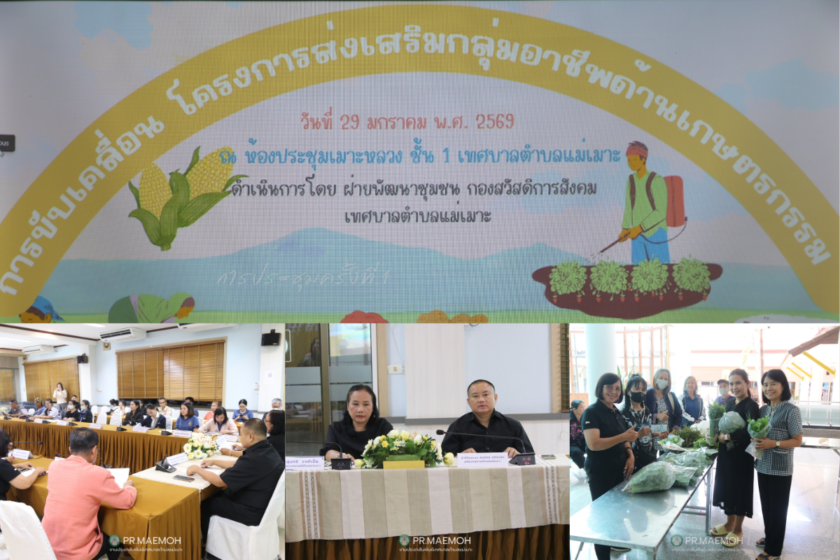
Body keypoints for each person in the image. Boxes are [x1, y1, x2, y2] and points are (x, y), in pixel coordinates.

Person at [42, 428, 135, 560]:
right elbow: (127, 501)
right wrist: (129, 487)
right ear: (94, 450)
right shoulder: (99, 474)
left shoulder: (54, 466)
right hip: (76, 554)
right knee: (116, 538)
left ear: (69, 449)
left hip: (47, 546)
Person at [186, 419, 283, 540]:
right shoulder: (268, 450)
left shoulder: (253, 459)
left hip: (251, 511)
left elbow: (219, 482)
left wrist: (197, 469)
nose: (240, 438)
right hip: (261, 504)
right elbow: (239, 464)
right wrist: (214, 461)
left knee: (205, 503)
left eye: (241, 434)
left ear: (250, 437)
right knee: (218, 494)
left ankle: (206, 543)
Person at [582, 373, 637, 560]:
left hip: (619, 470)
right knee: (602, 517)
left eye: (617, 388)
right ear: (601, 388)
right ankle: (603, 556)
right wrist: (624, 437)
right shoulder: (591, 412)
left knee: (616, 513)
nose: (614, 391)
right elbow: (594, 444)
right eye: (609, 387)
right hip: (600, 472)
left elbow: (625, 435)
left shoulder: (615, 411)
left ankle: (614, 543)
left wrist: (630, 454)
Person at [753, 369, 803, 560]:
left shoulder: (791, 410)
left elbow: (797, 440)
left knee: (778, 509)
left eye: (773, 384)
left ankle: (773, 550)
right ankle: (770, 537)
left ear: (783, 386)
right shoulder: (763, 410)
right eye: (765, 384)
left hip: (781, 468)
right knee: (767, 506)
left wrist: (773, 443)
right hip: (762, 464)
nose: (769, 388)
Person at [711, 368, 761, 548]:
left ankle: (738, 529)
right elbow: (723, 424)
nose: (734, 387)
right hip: (726, 455)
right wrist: (717, 434)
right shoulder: (730, 403)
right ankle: (728, 524)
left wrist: (727, 437)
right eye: (731, 383)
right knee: (727, 488)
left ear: (747, 383)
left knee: (739, 490)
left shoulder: (751, 406)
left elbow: (750, 433)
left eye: (738, 383)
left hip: (741, 457)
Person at [441, 379, 534, 458]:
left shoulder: (513, 425)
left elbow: (529, 457)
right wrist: (460, 457)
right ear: (468, 402)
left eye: (485, 394)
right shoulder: (457, 427)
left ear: (495, 398)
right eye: (475, 396)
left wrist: (517, 454)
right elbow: (445, 459)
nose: (481, 400)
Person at [618, 141, 670, 264]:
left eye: (635, 160)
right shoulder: (631, 180)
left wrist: (639, 228)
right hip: (637, 236)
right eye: (629, 160)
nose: (632, 163)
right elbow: (629, 207)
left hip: (656, 232)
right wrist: (625, 228)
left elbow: (660, 212)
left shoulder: (657, 180)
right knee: (638, 271)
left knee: (661, 269)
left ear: (643, 160)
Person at [321, 385, 393, 460]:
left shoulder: (382, 426)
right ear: (348, 406)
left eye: (366, 404)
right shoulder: (336, 428)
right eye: (355, 404)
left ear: (373, 407)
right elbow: (328, 453)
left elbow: (393, 451)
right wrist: (341, 456)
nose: (360, 410)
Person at [621, 375, 661, 473]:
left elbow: (648, 433)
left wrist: (658, 434)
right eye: (637, 388)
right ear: (628, 391)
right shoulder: (623, 413)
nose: (641, 392)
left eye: (643, 390)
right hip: (633, 460)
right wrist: (638, 434)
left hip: (649, 457)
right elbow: (622, 439)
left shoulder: (646, 410)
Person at [0, 429, 46, 500]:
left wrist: (18, 465)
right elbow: (25, 484)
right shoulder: (2, 464)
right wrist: (37, 471)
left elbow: (3, 470)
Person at [645, 368, 684, 441]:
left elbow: (679, 414)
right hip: (651, 438)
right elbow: (642, 415)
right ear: (656, 378)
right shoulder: (647, 394)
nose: (663, 380)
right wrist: (656, 416)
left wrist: (675, 429)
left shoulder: (671, 396)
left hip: (668, 437)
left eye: (666, 379)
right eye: (661, 378)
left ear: (668, 382)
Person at [107, 292, 195, 323]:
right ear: (179, 305)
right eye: (187, 311)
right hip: (124, 308)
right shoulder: (162, 307)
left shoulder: (169, 318)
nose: (187, 315)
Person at [569, 399, 587, 478]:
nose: (584, 409)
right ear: (574, 409)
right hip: (571, 443)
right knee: (576, 453)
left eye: (584, 407)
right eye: (582, 408)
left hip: (583, 441)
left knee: (595, 446)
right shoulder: (568, 419)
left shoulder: (585, 417)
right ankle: (588, 470)